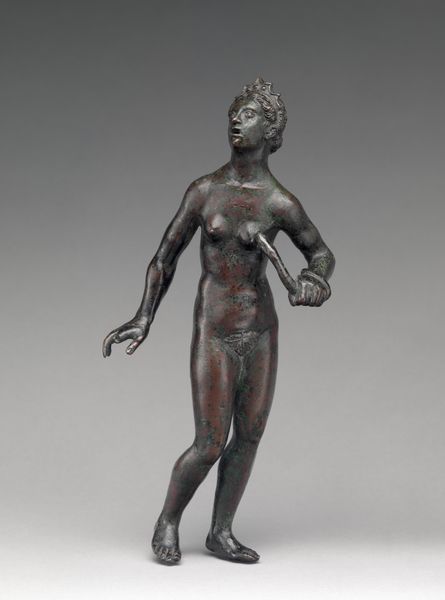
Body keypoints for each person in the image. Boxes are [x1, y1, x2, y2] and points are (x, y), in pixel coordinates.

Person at [103, 78, 335, 565]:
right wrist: (144, 316)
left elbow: (320, 253)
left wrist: (314, 280)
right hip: (215, 330)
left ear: (271, 131)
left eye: (249, 114)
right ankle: (168, 520)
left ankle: (220, 531)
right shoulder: (205, 191)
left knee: (248, 436)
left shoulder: (279, 202)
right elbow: (164, 258)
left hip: (261, 330)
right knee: (210, 442)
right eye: (234, 112)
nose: (236, 120)